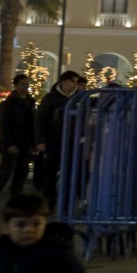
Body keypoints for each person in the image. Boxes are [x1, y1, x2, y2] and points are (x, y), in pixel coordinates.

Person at [32, 72, 83, 206]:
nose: (74, 85)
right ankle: (49, 200)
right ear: (63, 82)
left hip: (72, 141)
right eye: (72, 81)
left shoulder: (78, 99)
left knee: (70, 171)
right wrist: (40, 140)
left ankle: (66, 202)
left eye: (76, 82)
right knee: (51, 171)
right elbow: (40, 120)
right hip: (54, 140)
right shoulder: (50, 99)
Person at [0, 76, 38, 201]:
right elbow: (5, 126)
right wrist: (9, 144)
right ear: (16, 86)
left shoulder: (31, 102)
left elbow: (32, 124)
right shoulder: (9, 103)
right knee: (5, 173)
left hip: (26, 143)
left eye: (27, 84)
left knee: (21, 173)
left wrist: (33, 143)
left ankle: (15, 200)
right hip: (13, 142)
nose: (25, 87)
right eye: (23, 84)